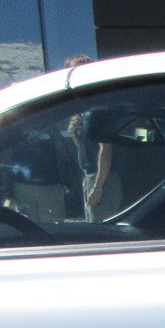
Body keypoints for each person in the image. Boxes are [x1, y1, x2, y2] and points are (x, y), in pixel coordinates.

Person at [64, 55, 118, 221]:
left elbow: (105, 148)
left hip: (102, 178)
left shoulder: (97, 109)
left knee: (101, 228)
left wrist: (98, 187)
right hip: (90, 177)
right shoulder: (81, 110)